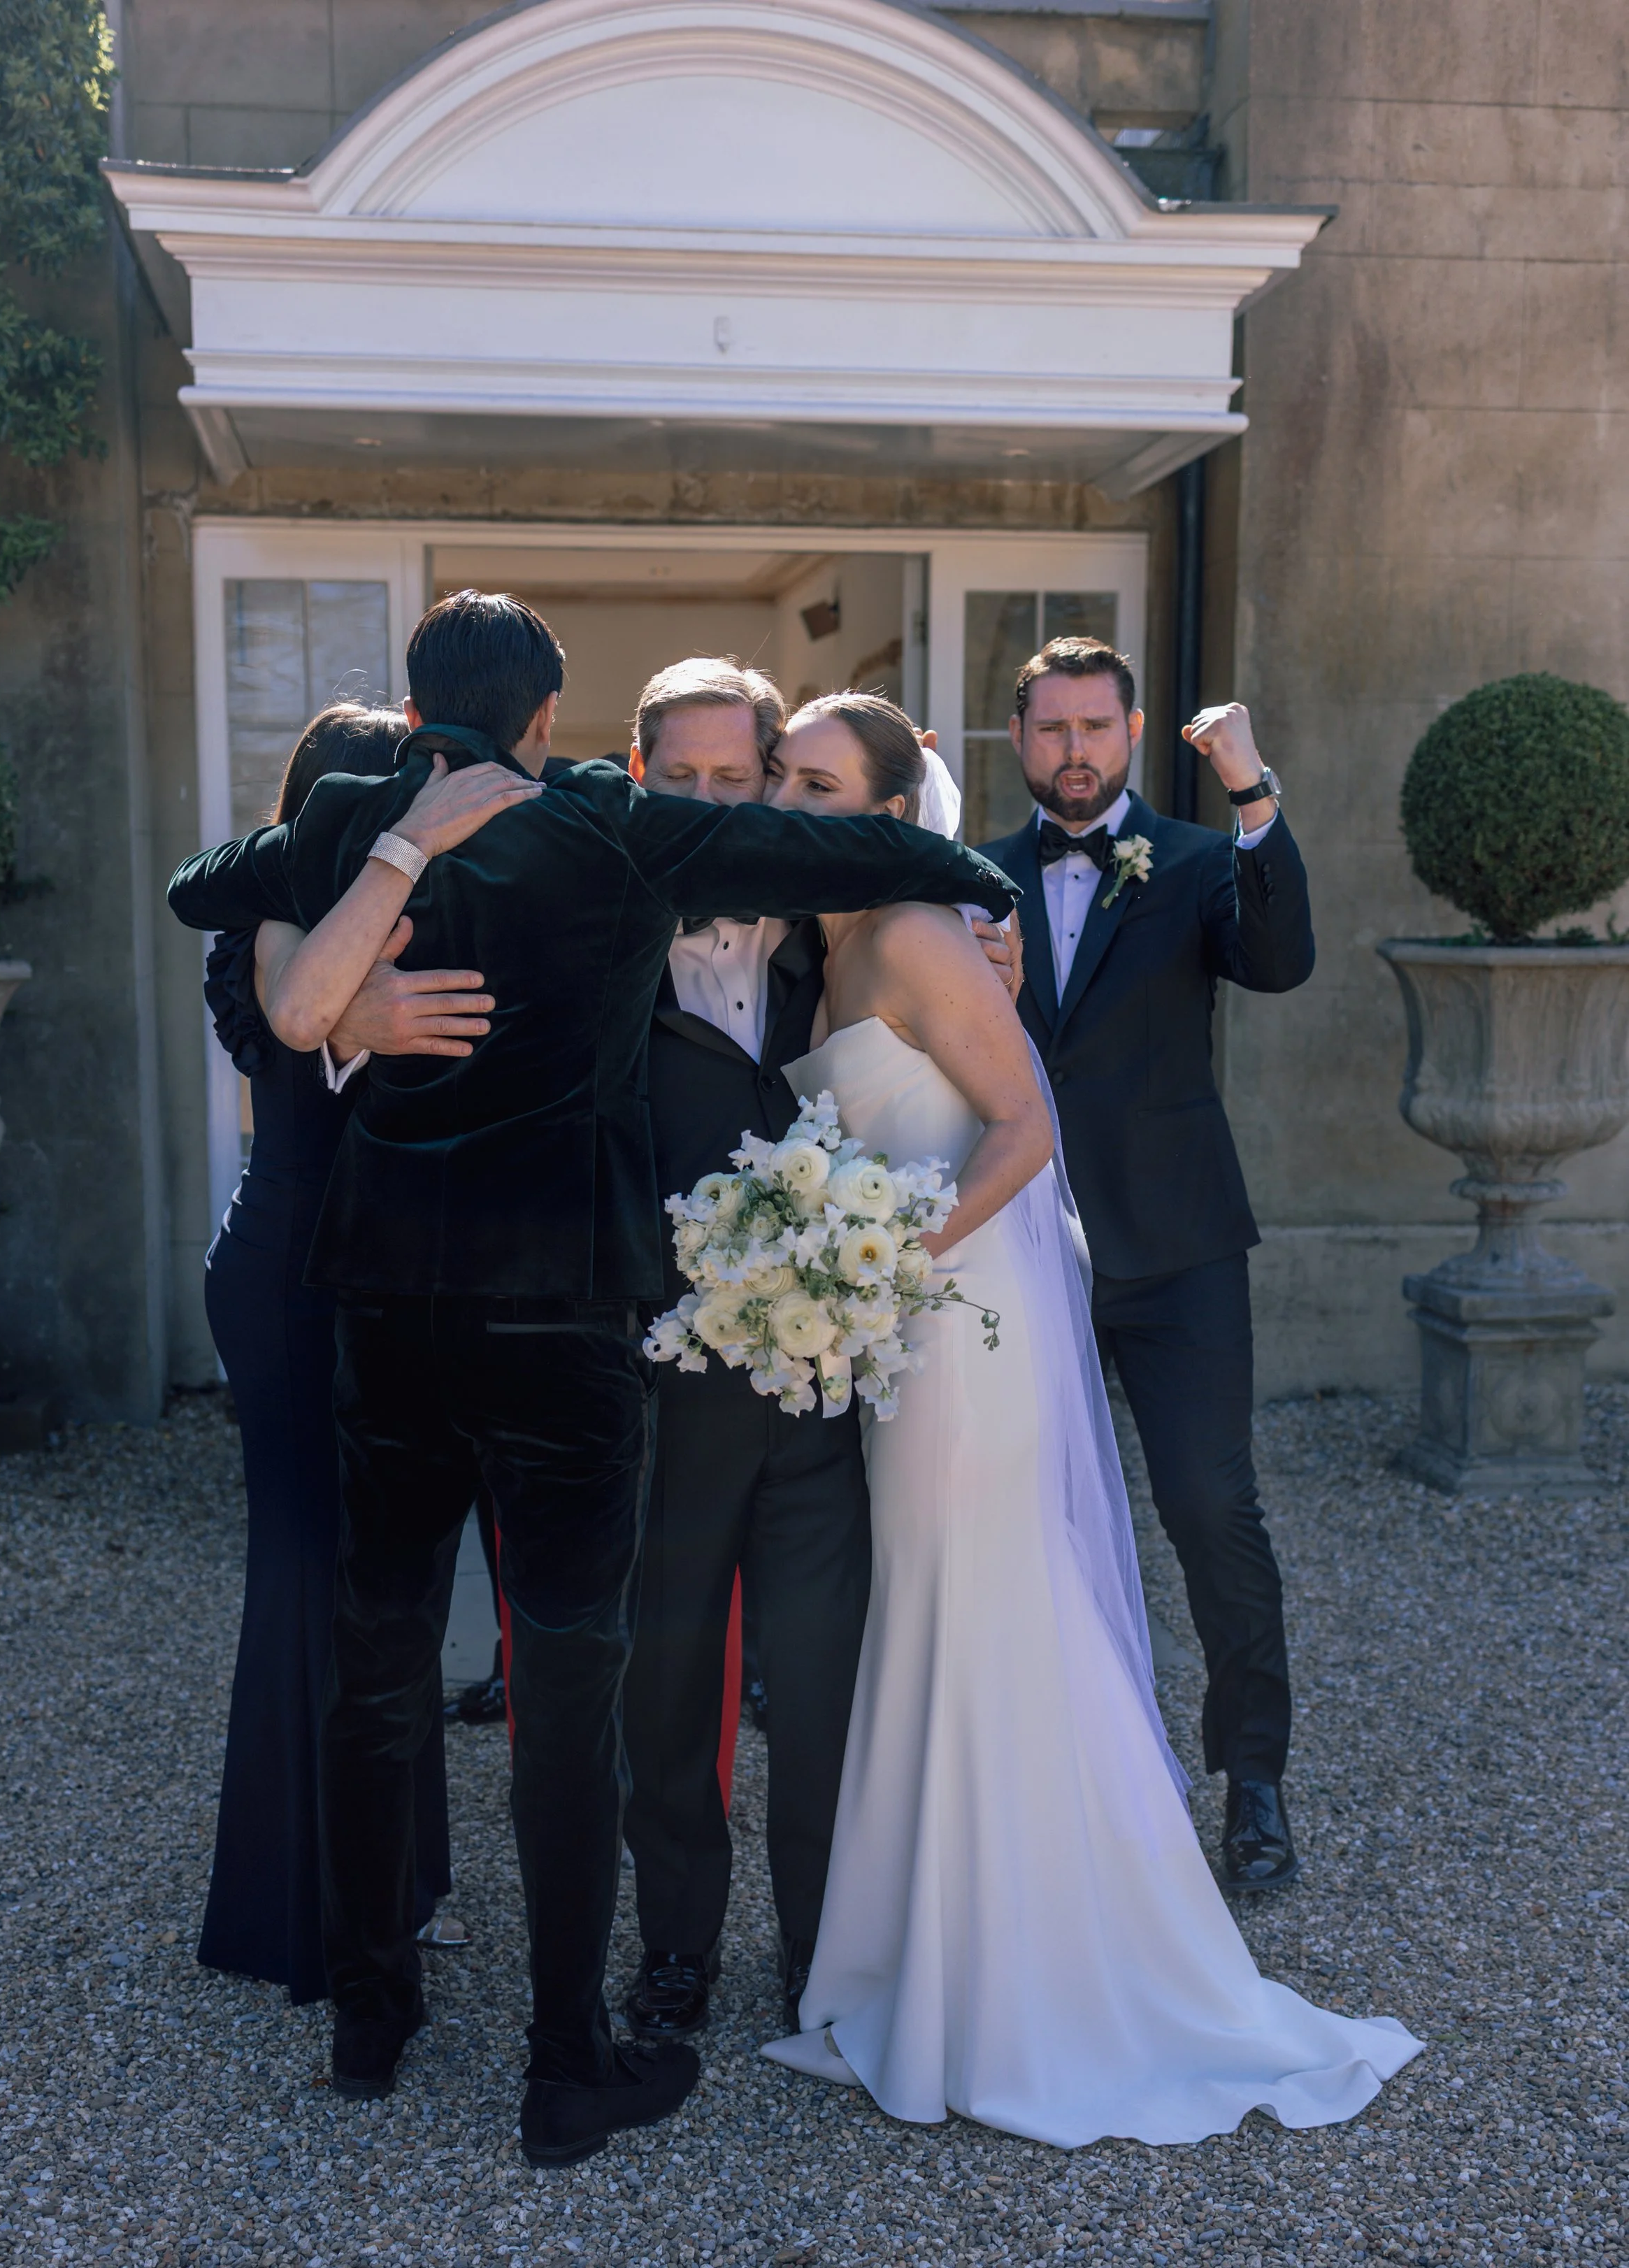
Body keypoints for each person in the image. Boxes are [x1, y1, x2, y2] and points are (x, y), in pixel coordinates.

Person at [164, 590, 1019, 2168]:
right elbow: (837, 858)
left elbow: (198, 883)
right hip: (556, 1321)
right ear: (550, 717)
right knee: (567, 1689)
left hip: (381, 1310)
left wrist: (356, 890)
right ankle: (567, 2064)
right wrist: (967, 870)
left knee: (377, 1662)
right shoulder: (609, 822)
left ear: (421, 702)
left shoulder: (357, 807)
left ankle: (372, 2016)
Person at [757, 694, 1421, 2144]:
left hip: (957, 1314)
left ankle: (1037, 1969)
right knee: (934, 1612)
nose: (785, 798)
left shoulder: (924, 932)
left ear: (883, 805)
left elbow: (1024, 1121)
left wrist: (880, 1255)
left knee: (999, 1599)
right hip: (901, 1328)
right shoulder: (836, 933)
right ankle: (923, 1953)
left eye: (816, 781)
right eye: (777, 777)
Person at [617, 662, 1021, 2045]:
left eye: (745, 779)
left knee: (825, 1684)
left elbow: (945, 1058)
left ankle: (820, 1962)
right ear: (639, 775)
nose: (722, 807)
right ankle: (674, 1949)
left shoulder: (829, 940)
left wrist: (987, 942)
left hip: (818, 1394)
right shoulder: (599, 937)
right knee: (666, 1685)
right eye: (690, 780)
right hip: (663, 1392)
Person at [979, 638, 1314, 1890]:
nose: (1075, 750)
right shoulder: (978, 877)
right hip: (1025, 1244)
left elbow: (1281, 963)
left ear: (1130, 736)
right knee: (1033, 1519)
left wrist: (1251, 793)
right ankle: (1059, 1782)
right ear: (1018, 737)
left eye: (1097, 729)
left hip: (1175, 1249)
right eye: (1053, 728)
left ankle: (1256, 1780)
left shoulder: (1192, 859)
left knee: (1210, 1507)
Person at [198, 704, 496, 2003]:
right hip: (289, 1288)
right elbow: (301, 1023)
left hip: (373, 1287)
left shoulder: (400, 919)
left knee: (386, 1596)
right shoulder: (275, 920)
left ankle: (391, 1884)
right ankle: (294, 1912)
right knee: (313, 1579)